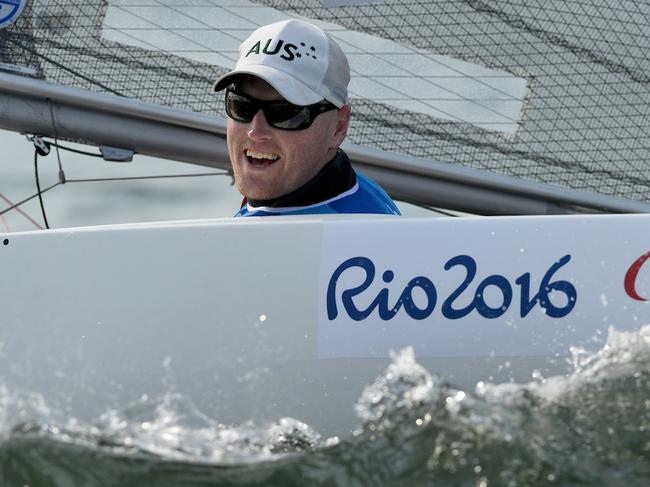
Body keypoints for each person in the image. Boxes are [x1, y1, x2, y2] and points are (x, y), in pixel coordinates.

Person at [213, 19, 401, 217]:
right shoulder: (354, 192)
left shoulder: (352, 238)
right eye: (241, 106)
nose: (256, 131)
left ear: (338, 127)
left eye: (286, 114)